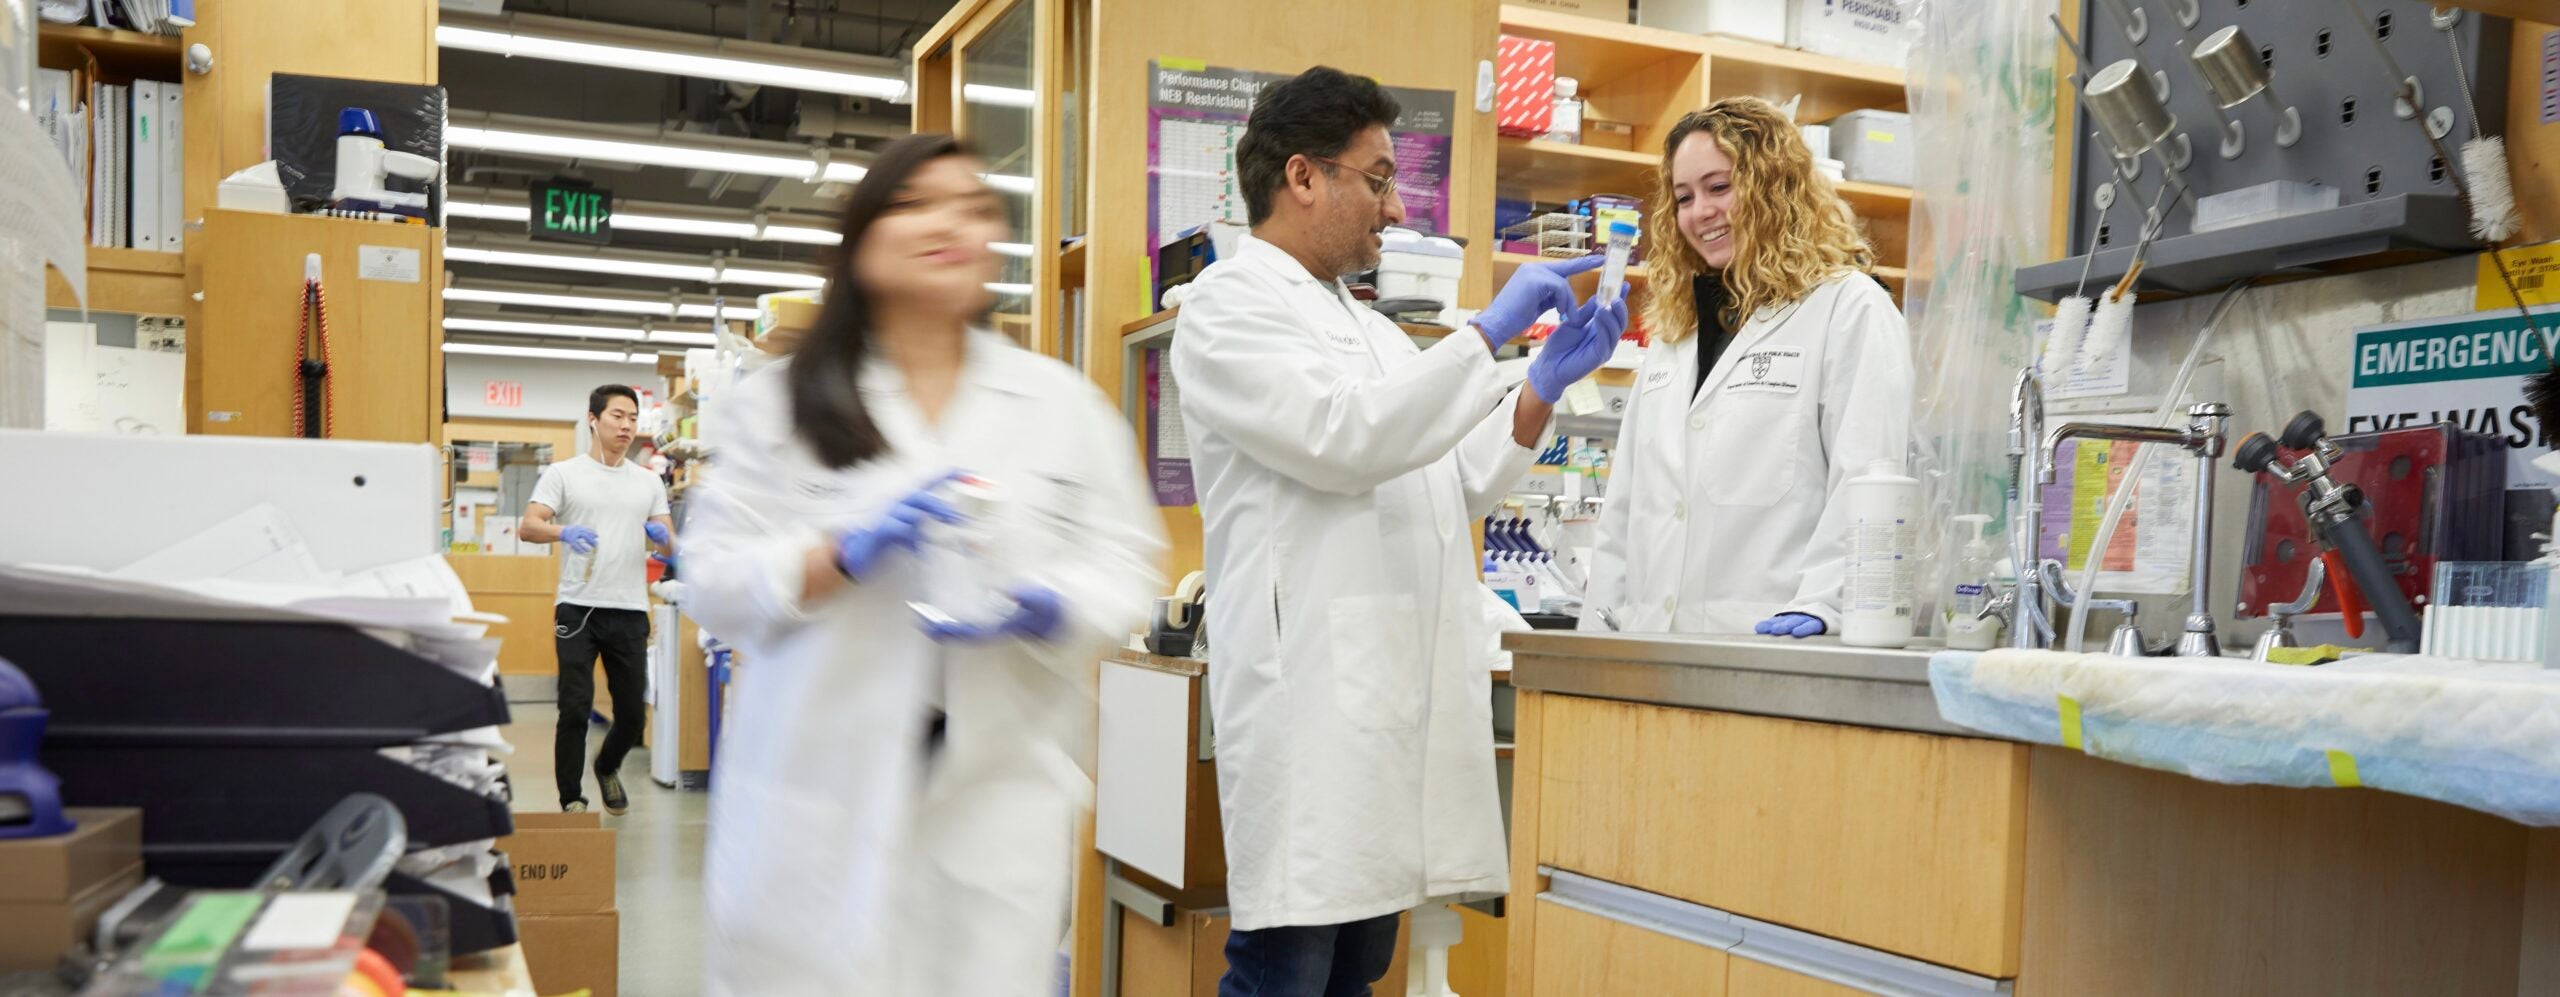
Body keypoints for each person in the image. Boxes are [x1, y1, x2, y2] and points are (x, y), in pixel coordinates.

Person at [1171, 66, 1626, 996]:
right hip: (1312, 710)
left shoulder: (1370, 329)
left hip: (1383, 710)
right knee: (1285, 973)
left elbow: (1439, 481)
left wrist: (1536, 393)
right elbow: (1345, 438)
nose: (1395, 207)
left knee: (1358, 970)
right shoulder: (1230, 305)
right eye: (1377, 179)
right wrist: (1486, 333)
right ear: (1303, 176)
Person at [681, 133, 1165, 996]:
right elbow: (712, 580)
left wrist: (1049, 605)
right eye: (916, 204)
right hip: (818, 800)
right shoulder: (779, 405)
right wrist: (837, 555)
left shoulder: (1060, 405)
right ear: (863, 242)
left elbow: (1128, 562)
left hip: (993, 801)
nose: (951, 223)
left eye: (975, 207)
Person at [1578, 96, 1914, 637]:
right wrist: (1598, 634)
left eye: (1719, 187)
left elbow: (1869, 476)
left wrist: (1825, 604)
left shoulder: (1847, 308)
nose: (1700, 212)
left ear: (1772, 185)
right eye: (1684, 197)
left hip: (1771, 639)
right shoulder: (1677, 328)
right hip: (1648, 644)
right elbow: (1627, 504)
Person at [521, 385, 675, 815]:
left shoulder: (648, 483)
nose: (627, 426)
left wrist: (665, 541)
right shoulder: (563, 474)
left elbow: (670, 547)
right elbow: (529, 526)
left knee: (632, 716)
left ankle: (607, 766)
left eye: (633, 418)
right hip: (577, 607)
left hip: (629, 609)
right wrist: (563, 532)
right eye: (617, 416)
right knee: (574, 707)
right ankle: (572, 797)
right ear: (593, 418)